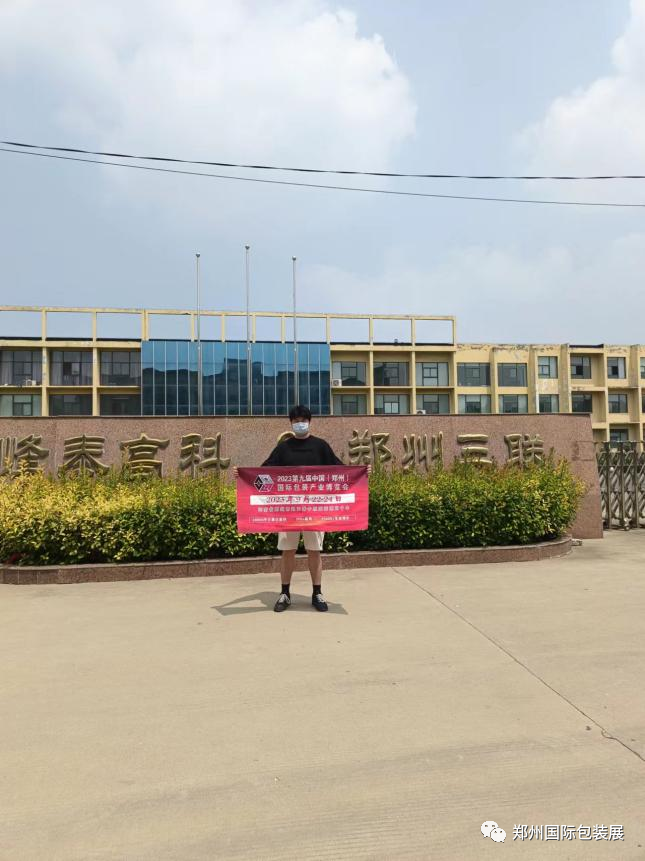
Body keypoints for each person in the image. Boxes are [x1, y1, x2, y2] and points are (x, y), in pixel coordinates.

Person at [234, 405, 363, 613]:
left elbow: (341, 471)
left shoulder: (321, 446)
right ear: (291, 423)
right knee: (288, 551)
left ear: (309, 422)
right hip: (288, 510)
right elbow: (263, 473)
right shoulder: (283, 448)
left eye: (303, 420)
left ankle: (317, 593)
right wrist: (241, 475)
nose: (299, 423)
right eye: (296, 420)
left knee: (314, 551)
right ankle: (285, 593)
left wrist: (363, 472)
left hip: (315, 509)